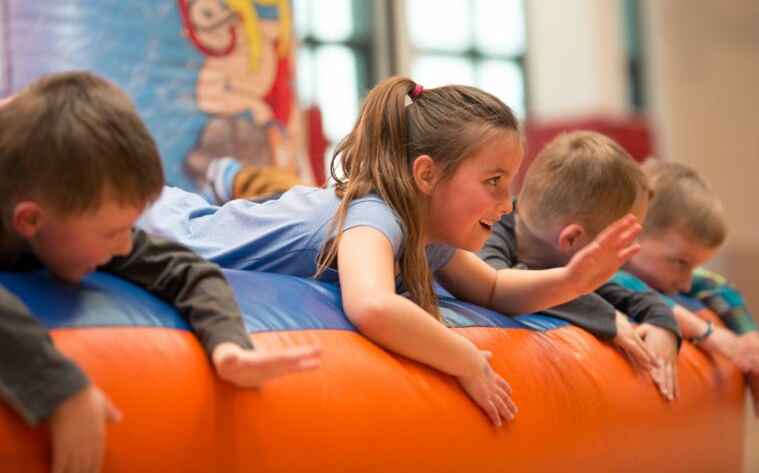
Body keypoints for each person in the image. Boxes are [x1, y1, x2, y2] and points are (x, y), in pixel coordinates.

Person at [138, 76, 643, 426]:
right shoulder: (376, 215)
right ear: (426, 175)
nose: (506, 203)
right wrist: (466, 360)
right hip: (159, 226)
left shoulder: (426, 233)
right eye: (493, 181)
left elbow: (492, 287)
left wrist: (572, 281)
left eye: (510, 183)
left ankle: (228, 176)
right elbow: (373, 305)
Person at [0, 72, 322, 472]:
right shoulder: (49, 203)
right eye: (111, 233)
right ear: (31, 221)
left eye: (128, 227)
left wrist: (228, 344)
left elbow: (186, 269)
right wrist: (62, 389)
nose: (125, 246)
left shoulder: (73, 214)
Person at [478, 131, 681, 400]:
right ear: (572, 238)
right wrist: (604, 315)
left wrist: (662, 322)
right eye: (619, 246)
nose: (625, 259)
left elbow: (620, 291)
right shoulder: (485, 232)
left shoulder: (560, 256)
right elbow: (497, 282)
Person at [616, 159, 759, 416]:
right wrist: (705, 332)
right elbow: (621, 283)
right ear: (630, 233)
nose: (685, 283)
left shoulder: (668, 267)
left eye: (693, 266)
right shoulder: (600, 268)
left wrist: (752, 349)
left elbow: (719, 287)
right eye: (679, 262)